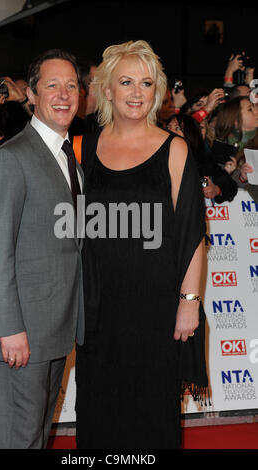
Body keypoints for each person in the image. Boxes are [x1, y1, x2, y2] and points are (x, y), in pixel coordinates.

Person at [75, 40, 208, 449]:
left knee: (152, 409)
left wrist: (189, 301)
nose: (137, 92)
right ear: (107, 90)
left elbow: (191, 234)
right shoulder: (86, 147)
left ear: (157, 92)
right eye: (126, 82)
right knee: (98, 406)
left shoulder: (175, 149)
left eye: (147, 83)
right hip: (99, 307)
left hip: (154, 306)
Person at [0, 48, 85, 449]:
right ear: (32, 94)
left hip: (55, 329)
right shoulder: (11, 159)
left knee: (37, 438)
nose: (63, 94)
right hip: (20, 333)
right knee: (21, 441)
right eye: (52, 85)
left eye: (71, 85)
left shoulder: (71, 159)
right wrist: (8, 327)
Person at [167, 113, 237, 203]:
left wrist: (216, 189)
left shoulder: (202, 162)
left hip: (189, 213)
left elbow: (229, 185)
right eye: (168, 127)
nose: (170, 131)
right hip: (157, 212)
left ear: (190, 134)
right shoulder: (153, 157)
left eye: (177, 128)